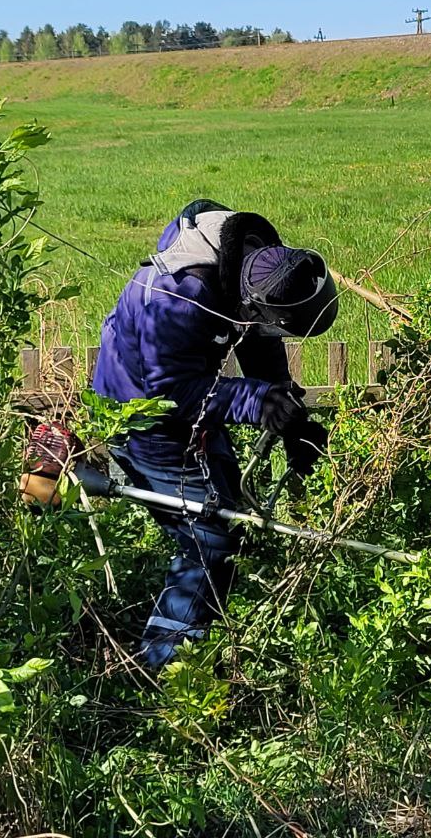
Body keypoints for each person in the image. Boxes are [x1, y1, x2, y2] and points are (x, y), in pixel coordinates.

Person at [91, 199, 338, 670]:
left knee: (229, 509)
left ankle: (203, 632)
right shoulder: (175, 297)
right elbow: (173, 391)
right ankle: (163, 670)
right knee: (209, 542)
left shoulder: (257, 262)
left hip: (190, 401)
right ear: (251, 300)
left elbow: (261, 344)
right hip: (144, 416)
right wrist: (257, 401)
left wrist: (292, 423)